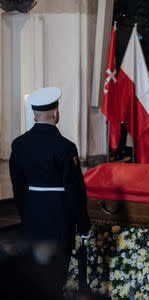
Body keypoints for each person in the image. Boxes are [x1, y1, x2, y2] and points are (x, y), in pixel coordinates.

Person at [9, 87, 91, 296]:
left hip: (32, 218)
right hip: (59, 219)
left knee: (33, 280)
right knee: (56, 281)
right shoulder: (65, 147)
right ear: (55, 113)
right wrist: (83, 225)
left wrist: (25, 214)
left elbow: (17, 186)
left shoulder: (19, 144)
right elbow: (75, 190)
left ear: (34, 115)